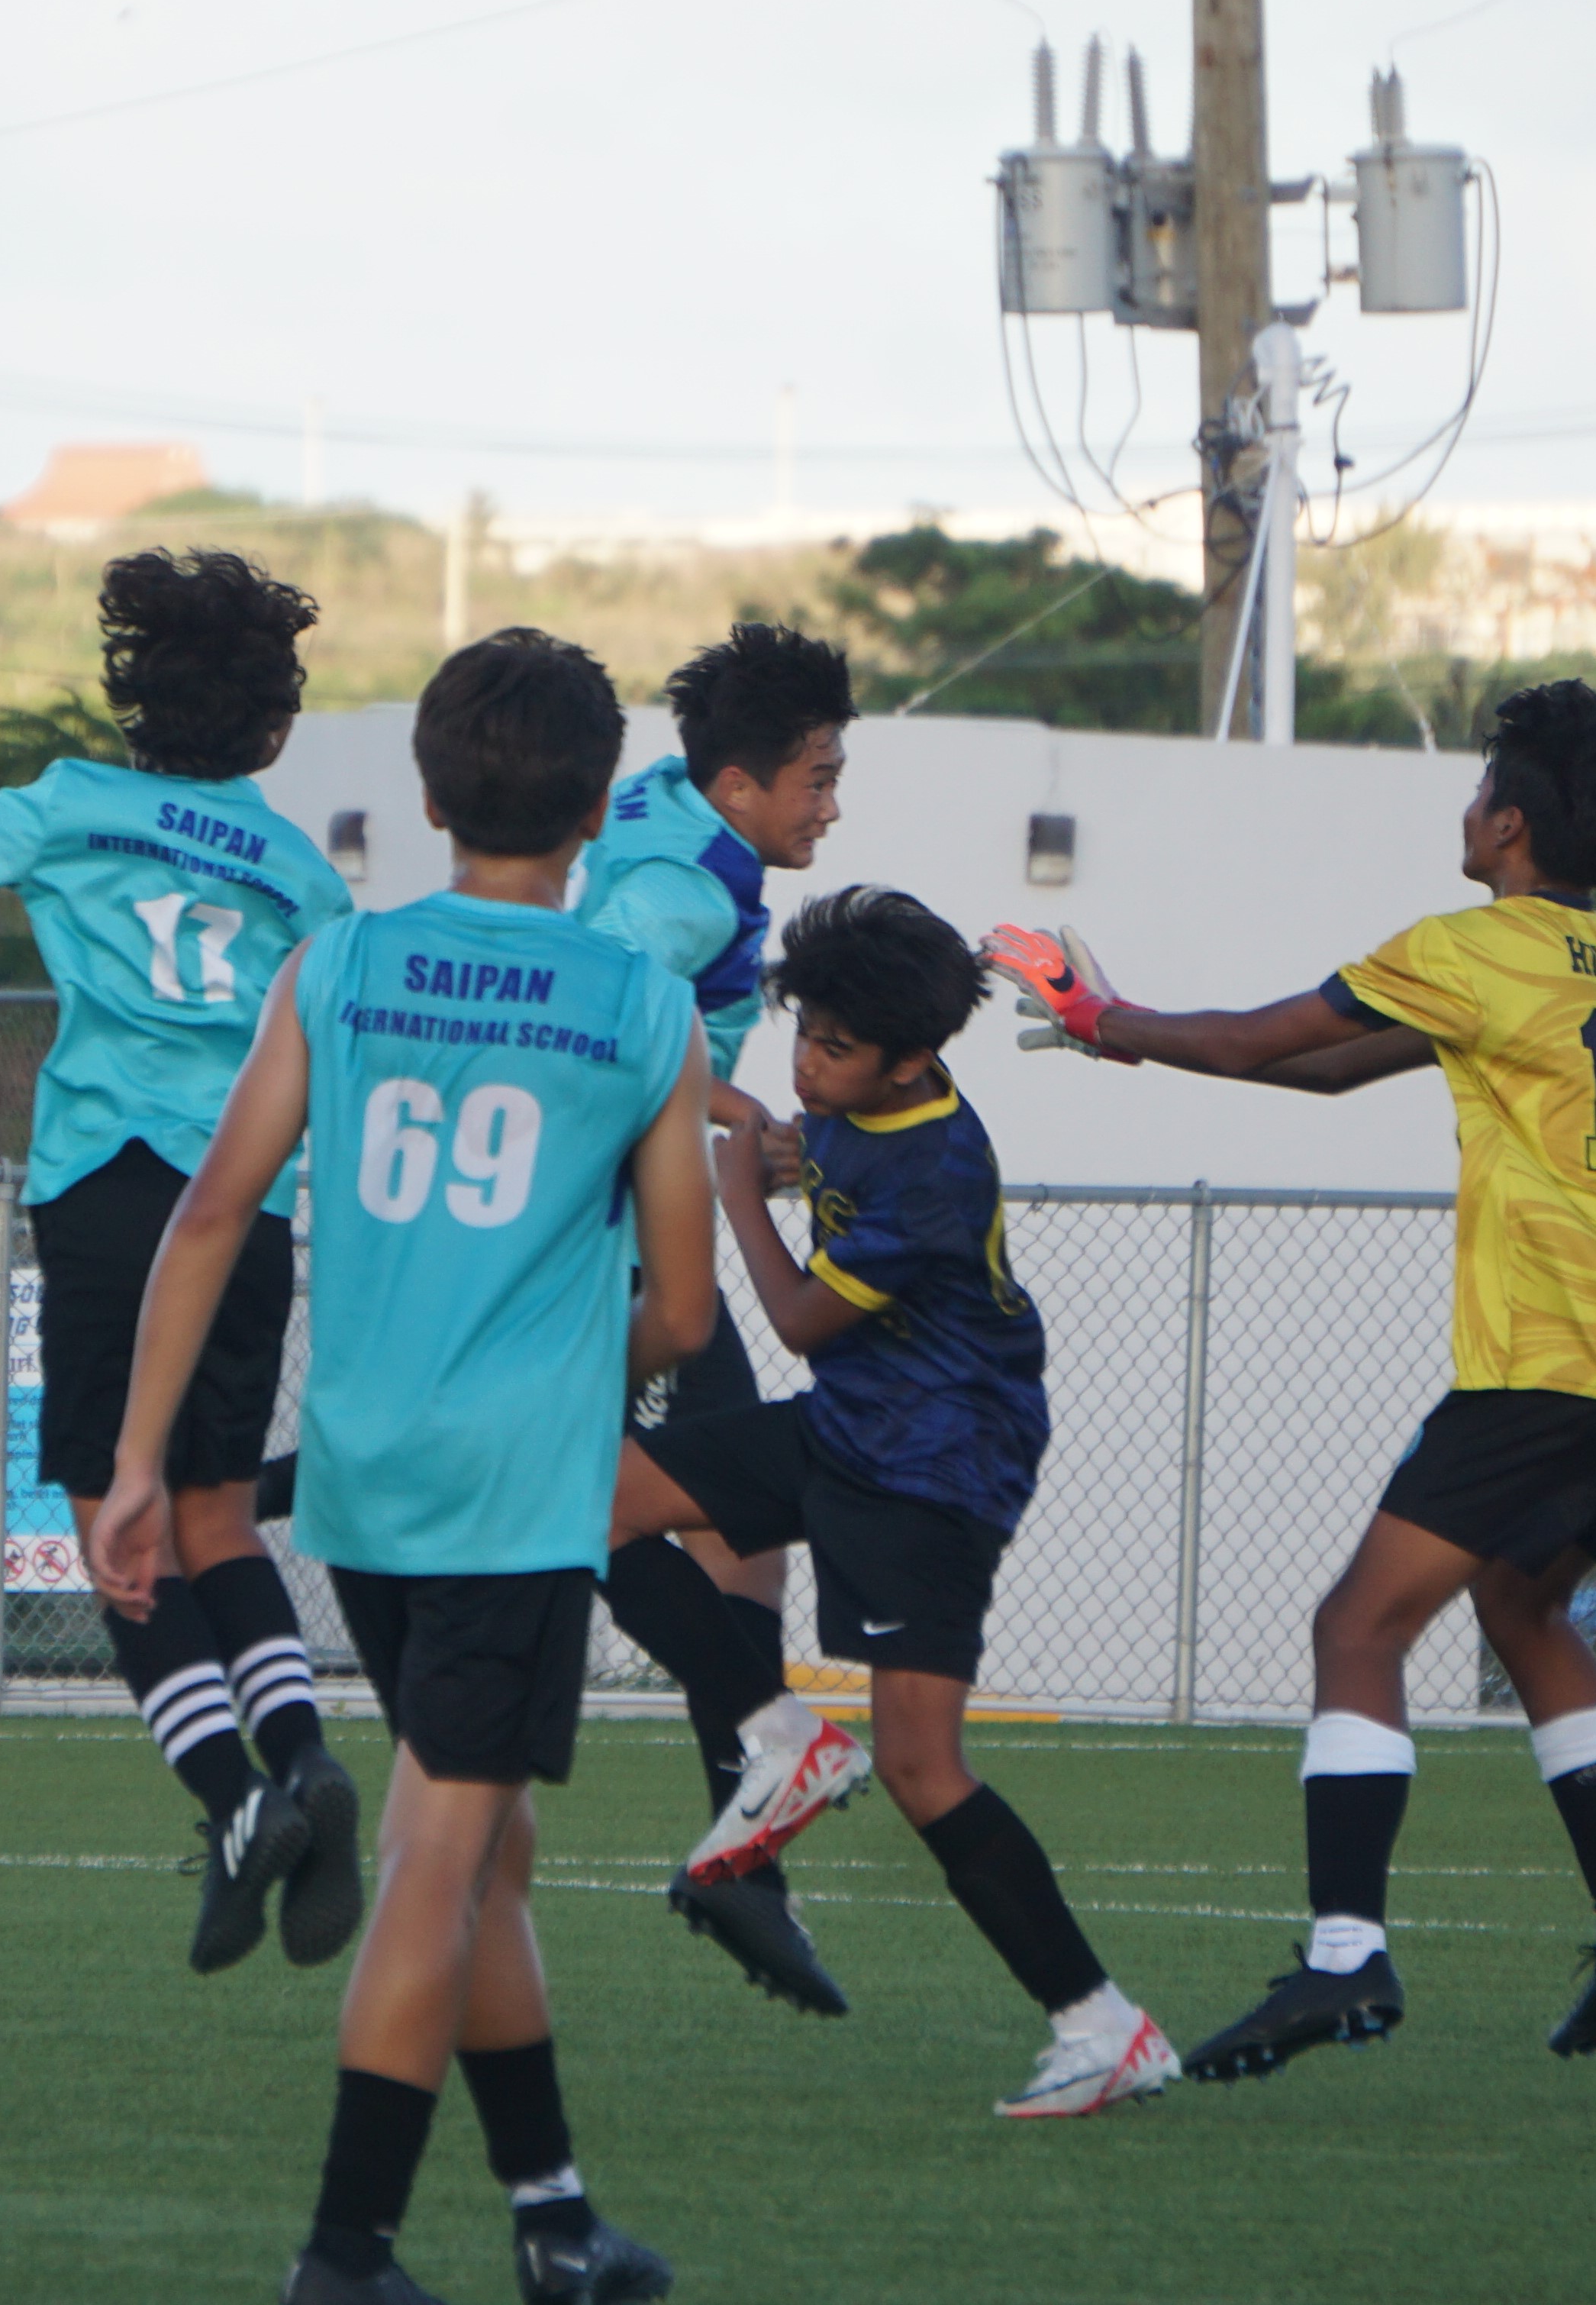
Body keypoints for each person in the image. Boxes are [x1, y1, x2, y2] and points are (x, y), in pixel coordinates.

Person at [987, 676, 1596, 2077]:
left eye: (1475, 794)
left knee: (1355, 1630)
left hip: (1559, 1353)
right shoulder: (1592, 954)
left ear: (1506, 823)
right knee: (1523, 1606)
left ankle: (1343, 1963)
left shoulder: (1473, 944)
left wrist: (1106, 1024)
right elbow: (1334, 1073)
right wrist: (1144, 1041)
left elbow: (1261, 1034)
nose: (1463, 811)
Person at [93, 628, 717, 2305]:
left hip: (367, 1484)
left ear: (430, 796)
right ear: (598, 806)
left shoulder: (340, 968)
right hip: (514, 1493)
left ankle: (552, 2212)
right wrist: (584, 1375)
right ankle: (344, 2251)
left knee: (484, 1839)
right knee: (444, 1854)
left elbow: (212, 1208)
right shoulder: (646, 1005)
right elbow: (682, 1301)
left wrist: (141, 1458)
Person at [0, 547, 360, 1980]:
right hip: (245, 1200)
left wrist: (1, 808)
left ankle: (235, 1802)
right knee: (215, 1518)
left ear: (134, 696)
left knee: (113, 1524)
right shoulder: (294, 865)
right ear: (271, 726)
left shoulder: (75, 805)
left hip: (106, 1193)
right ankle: (307, 1757)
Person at [603, 886, 1182, 2119]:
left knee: (925, 1770)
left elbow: (804, 1321)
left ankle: (1101, 2025)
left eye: (834, 1048)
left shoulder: (936, 1162)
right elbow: (817, 1151)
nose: (808, 1064)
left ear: (912, 1057)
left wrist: (740, 1199)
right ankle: (780, 1737)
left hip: (935, 1466)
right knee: (581, 1504)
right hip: (850, 1429)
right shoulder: (866, 1105)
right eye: (802, 1036)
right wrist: (779, 1146)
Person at [576, 623, 856, 2016]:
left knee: (724, 1534)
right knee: (577, 1507)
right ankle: (764, 1771)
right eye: (814, 778)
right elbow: (601, 1002)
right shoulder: (689, 888)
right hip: (605, 1245)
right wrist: (737, 1108)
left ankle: (749, 1843)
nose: (829, 805)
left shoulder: (666, 810)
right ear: (738, 783)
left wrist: (721, 1115)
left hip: (623, 1226)